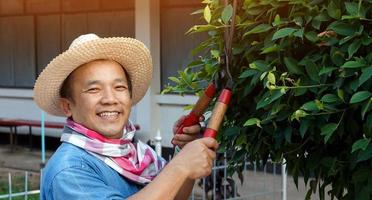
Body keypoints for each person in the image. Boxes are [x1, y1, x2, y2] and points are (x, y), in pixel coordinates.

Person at [33, 33, 218, 200]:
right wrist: (180, 167)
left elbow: (174, 196)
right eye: (94, 89)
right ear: (67, 106)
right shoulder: (69, 170)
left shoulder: (137, 154)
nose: (110, 99)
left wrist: (182, 152)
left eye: (119, 87)